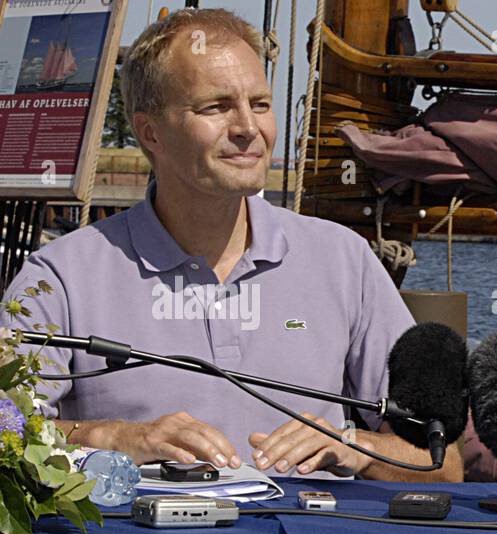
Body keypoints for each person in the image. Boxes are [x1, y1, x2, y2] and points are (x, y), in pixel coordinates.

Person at [4, 8, 460, 482]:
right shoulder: (59, 278)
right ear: (150, 132)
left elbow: (443, 463)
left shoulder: (345, 261)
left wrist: (359, 446)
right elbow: (4, 435)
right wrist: (115, 438)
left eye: (260, 104)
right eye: (216, 107)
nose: (248, 127)